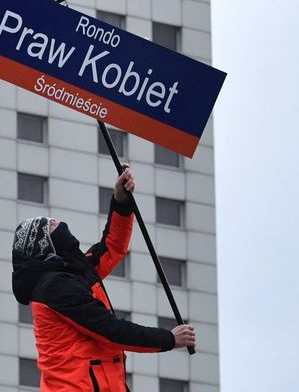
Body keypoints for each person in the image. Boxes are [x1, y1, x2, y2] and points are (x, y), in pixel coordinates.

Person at [11, 166, 196, 391]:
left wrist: (121, 202)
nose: (57, 223)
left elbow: (111, 247)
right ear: (44, 244)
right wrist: (169, 339)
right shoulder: (54, 287)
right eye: (50, 225)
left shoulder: (74, 271)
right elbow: (110, 329)